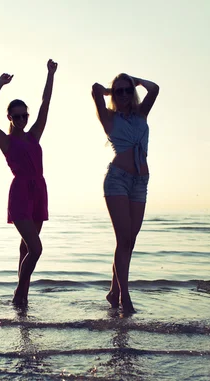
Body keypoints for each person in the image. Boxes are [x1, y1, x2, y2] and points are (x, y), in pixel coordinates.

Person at [0, 59, 58, 306]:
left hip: (39, 193)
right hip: (21, 194)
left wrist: (50, 74)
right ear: (10, 117)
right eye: (17, 116)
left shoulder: (34, 135)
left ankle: (23, 297)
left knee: (26, 248)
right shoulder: (5, 141)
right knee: (36, 249)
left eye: (25, 115)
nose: (23, 118)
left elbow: (46, 104)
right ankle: (19, 292)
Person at [91, 73, 159, 313]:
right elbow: (95, 89)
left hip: (140, 182)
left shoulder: (141, 113)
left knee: (129, 241)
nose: (123, 95)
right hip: (117, 180)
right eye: (119, 91)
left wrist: (135, 80)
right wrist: (110, 91)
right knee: (124, 240)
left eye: (127, 91)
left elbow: (155, 89)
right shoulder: (108, 117)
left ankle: (113, 292)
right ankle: (124, 298)